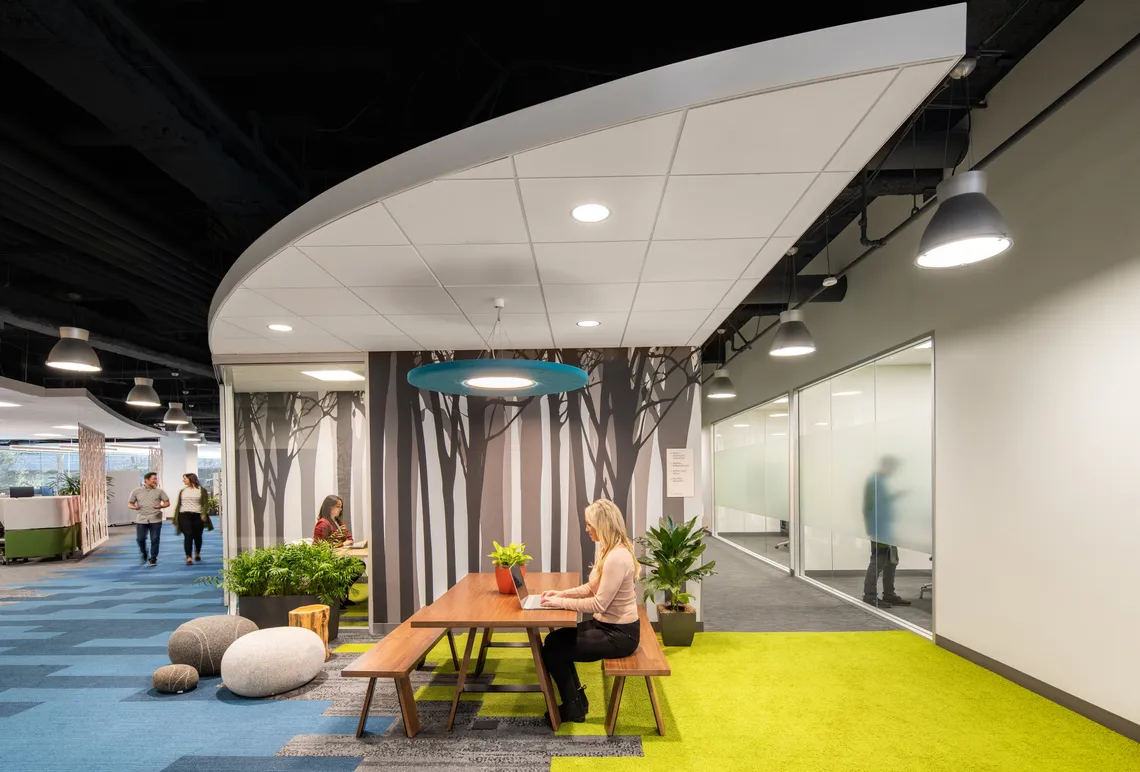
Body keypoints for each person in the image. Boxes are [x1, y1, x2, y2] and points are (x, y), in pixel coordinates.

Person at [539, 499, 641, 724]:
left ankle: (573, 707)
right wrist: (561, 594)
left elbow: (598, 604)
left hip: (620, 635)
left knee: (554, 649)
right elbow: (590, 588)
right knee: (554, 641)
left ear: (602, 525)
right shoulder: (607, 550)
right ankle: (577, 701)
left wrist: (560, 602)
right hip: (607, 625)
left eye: (589, 524)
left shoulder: (617, 557)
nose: (587, 529)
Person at [862, 456, 911, 609]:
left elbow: (883, 502)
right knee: (878, 561)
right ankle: (869, 595)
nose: (894, 471)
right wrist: (876, 530)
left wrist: (896, 496)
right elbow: (871, 506)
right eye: (894, 468)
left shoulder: (881, 481)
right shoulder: (875, 481)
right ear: (887, 466)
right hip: (880, 529)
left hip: (886, 528)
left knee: (891, 561)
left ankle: (889, 594)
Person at [128, 472, 169, 567]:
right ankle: (144, 552)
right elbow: (130, 503)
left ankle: (153, 559)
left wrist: (161, 506)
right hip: (141, 519)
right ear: (146, 480)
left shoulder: (159, 491)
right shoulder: (136, 491)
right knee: (140, 539)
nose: (156, 480)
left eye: (156, 479)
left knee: (155, 539)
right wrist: (134, 507)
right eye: (154, 479)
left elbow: (167, 502)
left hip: (155, 518)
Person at [172, 473, 210, 565]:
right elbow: (178, 505)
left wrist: (203, 514)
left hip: (197, 515)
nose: (183, 480)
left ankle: (197, 552)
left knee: (197, 536)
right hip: (184, 514)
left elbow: (205, 503)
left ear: (191, 479)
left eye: (185, 479)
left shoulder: (202, 490)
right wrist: (175, 519)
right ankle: (188, 556)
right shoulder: (183, 491)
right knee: (188, 535)